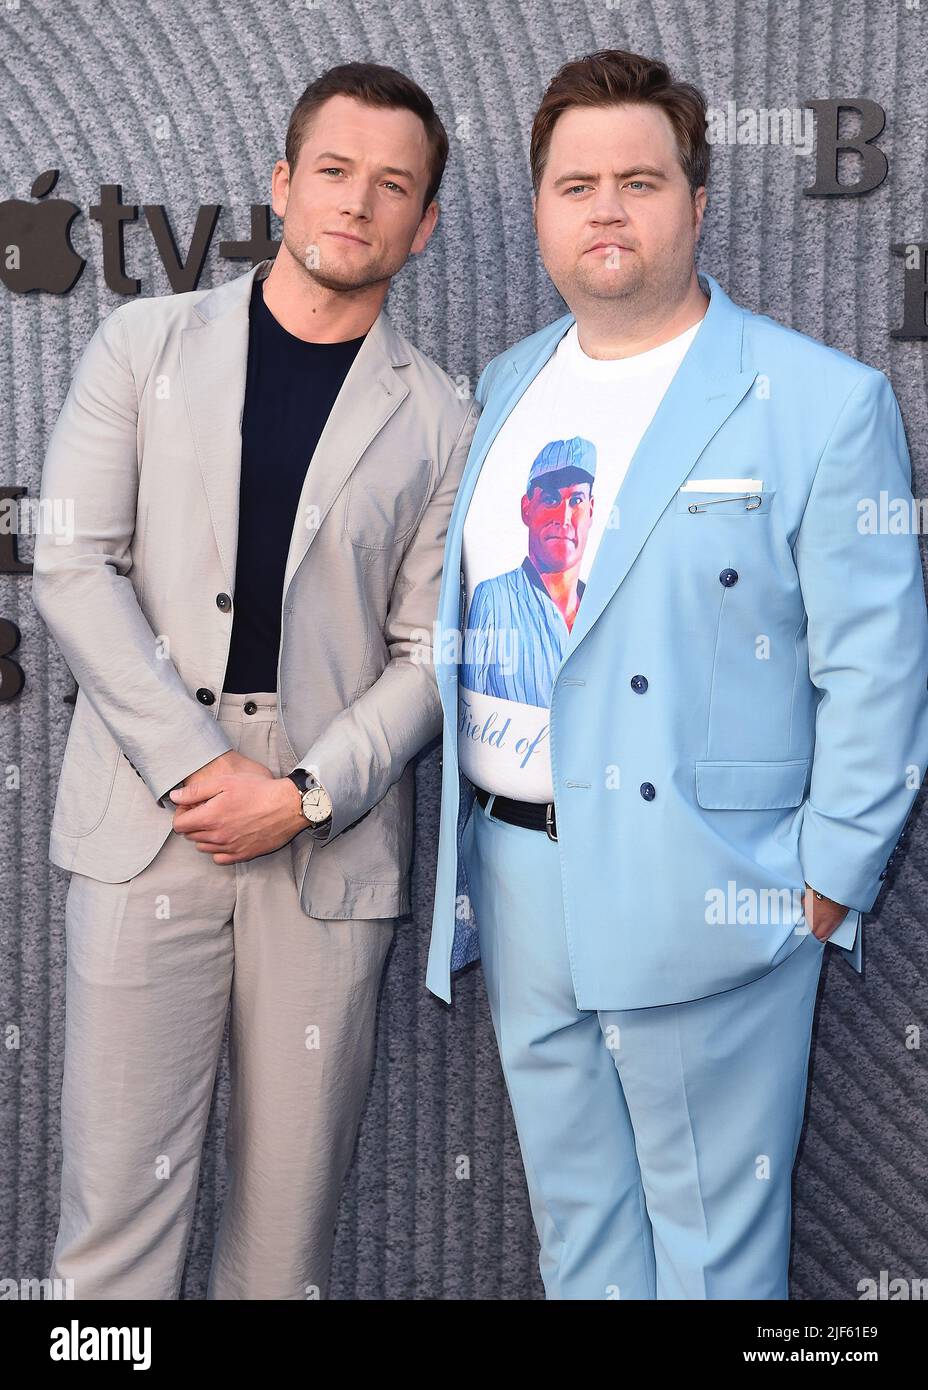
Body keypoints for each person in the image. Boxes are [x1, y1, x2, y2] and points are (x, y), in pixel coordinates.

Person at [426, 47, 928, 1298]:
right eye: (575, 182)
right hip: (520, 873)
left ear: (696, 207)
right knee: (580, 1241)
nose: (606, 206)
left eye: (639, 180)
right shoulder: (504, 387)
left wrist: (822, 878)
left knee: (714, 1258)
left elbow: (876, 666)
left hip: (717, 890)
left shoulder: (821, 401)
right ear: (538, 209)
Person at [33, 61, 478, 1300]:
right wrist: (199, 763)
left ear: (424, 225)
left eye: (394, 186)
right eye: (334, 172)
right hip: (149, 811)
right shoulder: (142, 342)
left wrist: (306, 791)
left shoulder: (445, 417)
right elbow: (72, 562)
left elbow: (429, 651)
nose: (358, 203)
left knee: (286, 1241)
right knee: (112, 1218)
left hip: (322, 843)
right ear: (282, 184)